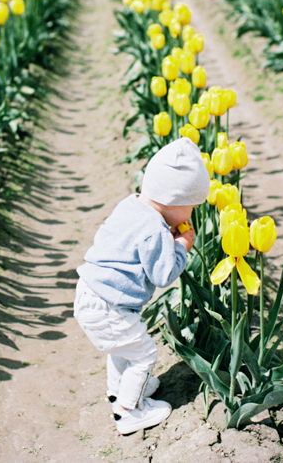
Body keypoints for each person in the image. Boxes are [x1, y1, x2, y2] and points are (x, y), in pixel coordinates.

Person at [74, 137, 210, 435]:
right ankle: (128, 412)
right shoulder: (154, 231)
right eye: (192, 207)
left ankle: (119, 388)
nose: (192, 215)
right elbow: (163, 275)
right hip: (110, 308)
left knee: (122, 347)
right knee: (145, 352)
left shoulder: (132, 205)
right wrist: (181, 246)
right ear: (175, 202)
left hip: (90, 294)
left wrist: (168, 232)